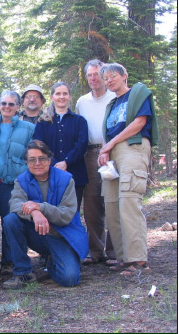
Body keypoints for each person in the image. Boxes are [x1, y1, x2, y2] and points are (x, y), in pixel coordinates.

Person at [98, 63, 158, 276]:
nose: (109, 81)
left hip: (133, 146)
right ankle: (124, 258)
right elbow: (109, 130)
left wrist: (109, 144)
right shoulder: (112, 104)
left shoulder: (138, 93)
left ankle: (138, 260)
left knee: (129, 201)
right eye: (106, 78)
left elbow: (139, 122)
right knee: (112, 204)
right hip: (113, 153)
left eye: (113, 76)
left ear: (125, 76)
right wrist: (106, 150)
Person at [3, 140, 89, 289]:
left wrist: (41, 207)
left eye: (42, 158)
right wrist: (35, 213)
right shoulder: (22, 180)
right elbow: (15, 203)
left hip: (61, 235)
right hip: (37, 234)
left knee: (69, 279)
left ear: (49, 160)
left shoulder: (66, 179)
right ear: (26, 162)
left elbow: (66, 215)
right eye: (32, 159)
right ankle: (23, 273)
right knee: (10, 220)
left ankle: (52, 262)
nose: (37, 163)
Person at [0, 91, 35, 280]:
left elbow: (31, 154)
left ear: (18, 107)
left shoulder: (28, 128)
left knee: (11, 221)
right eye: (3, 103)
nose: (7, 107)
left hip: (13, 182)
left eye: (11, 104)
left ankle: (10, 262)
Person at [76, 59, 117, 265]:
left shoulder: (115, 97)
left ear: (105, 75)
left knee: (113, 201)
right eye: (89, 75)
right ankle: (96, 251)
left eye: (97, 74)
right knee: (92, 204)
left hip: (114, 152)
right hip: (90, 154)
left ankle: (113, 251)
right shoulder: (82, 101)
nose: (93, 78)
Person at [33, 82, 89, 211]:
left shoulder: (79, 121)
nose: (61, 97)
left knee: (72, 213)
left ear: (69, 96)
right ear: (52, 97)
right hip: (49, 173)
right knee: (51, 212)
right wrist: (55, 163)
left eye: (65, 93)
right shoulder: (43, 122)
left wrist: (66, 162)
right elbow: (39, 145)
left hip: (75, 174)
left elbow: (81, 145)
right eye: (58, 94)